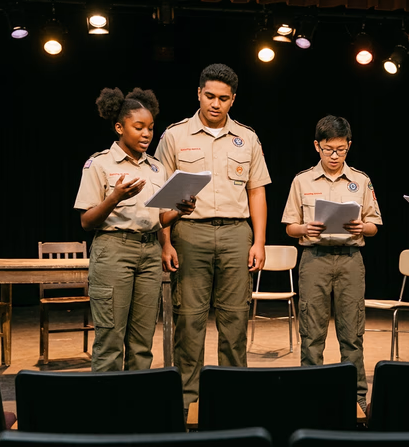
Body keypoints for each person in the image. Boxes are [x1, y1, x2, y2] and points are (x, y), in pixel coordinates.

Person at [154, 63, 271, 409]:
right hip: (191, 234)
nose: (215, 104)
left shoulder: (247, 137)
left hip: (237, 234)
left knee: (235, 320)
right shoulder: (175, 136)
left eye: (223, 98)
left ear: (233, 99)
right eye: (209, 96)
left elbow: (257, 192)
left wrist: (259, 241)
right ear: (199, 94)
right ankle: (187, 402)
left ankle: (234, 400)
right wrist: (166, 241)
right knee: (189, 322)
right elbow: (158, 194)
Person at [75, 87, 195, 372]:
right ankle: (107, 413)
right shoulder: (100, 164)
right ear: (119, 127)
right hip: (114, 250)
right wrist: (114, 197)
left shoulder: (156, 168)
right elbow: (86, 221)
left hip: (149, 251)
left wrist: (180, 210)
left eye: (151, 128)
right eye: (138, 127)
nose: (146, 134)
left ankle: (137, 411)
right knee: (110, 338)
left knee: (142, 342)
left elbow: (159, 218)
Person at [282, 115, 382, 414]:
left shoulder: (361, 180)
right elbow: (289, 226)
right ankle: (310, 393)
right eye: (328, 149)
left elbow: (375, 224)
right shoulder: (302, 180)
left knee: (352, 333)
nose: (335, 155)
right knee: (312, 333)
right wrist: (304, 230)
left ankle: (356, 398)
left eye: (341, 149)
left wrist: (362, 227)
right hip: (315, 260)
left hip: (351, 260)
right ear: (317, 146)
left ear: (349, 146)